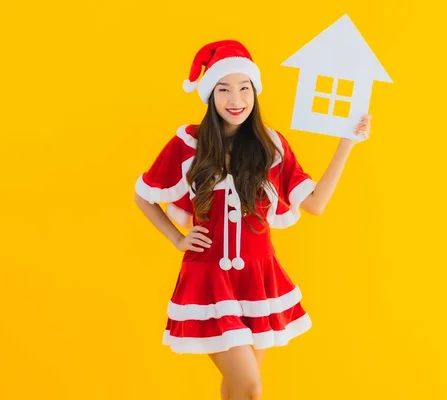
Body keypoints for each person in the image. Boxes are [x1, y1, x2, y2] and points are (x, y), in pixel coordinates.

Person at [133, 40, 372, 400]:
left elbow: (316, 204)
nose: (236, 99)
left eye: (245, 88)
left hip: (259, 280)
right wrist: (177, 239)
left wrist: (346, 144)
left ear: (255, 93)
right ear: (211, 94)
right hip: (209, 278)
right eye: (225, 89)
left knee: (236, 389)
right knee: (250, 387)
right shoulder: (188, 144)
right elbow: (143, 195)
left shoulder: (270, 146)